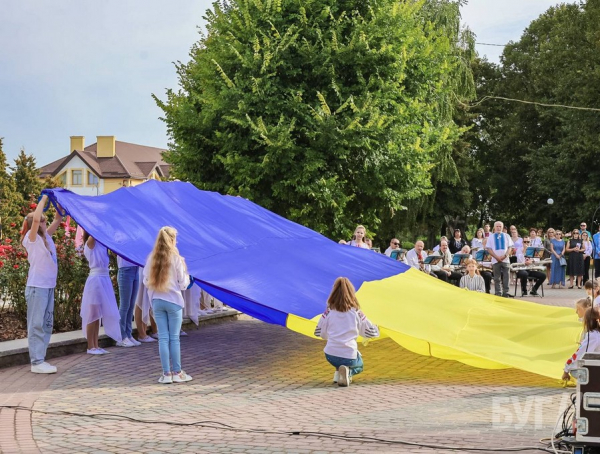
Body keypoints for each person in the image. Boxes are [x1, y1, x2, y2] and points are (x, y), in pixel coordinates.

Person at [21, 195, 65, 374]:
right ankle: (36, 361)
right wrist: (44, 199)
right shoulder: (31, 239)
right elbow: (37, 218)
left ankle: (41, 358)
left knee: (46, 324)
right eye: (41, 221)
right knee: (36, 324)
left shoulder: (47, 237)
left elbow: (58, 218)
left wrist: (59, 202)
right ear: (35, 223)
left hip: (47, 287)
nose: (44, 223)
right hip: (37, 287)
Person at [143, 227, 193, 384]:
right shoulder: (176, 258)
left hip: (157, 300)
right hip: (173, 300)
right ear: (172, 240)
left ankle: (166, 374)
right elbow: (183, 284)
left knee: (163, 338)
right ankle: (177, 373)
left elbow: (145, 280)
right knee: (174, 338)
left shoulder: (151, 257)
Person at [314, 277, 380, 387]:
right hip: (349, 355)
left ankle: (338, 374)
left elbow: (319, 332)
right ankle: (348, 372)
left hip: (330, 355)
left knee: (338, 358)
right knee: (359, 365)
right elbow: (369, 332)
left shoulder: (328, 311)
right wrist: (377, 329)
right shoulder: (356, 312)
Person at [81, 231, 122, 354]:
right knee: (92, 314)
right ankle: (90, 347)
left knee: (98, 315)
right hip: (95, 280)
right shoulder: (90, 243)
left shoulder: (102, 244)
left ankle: (96, 344)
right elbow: (94, 233)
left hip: (104, 278)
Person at [562, 307, 600, 382]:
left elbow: (580, 354)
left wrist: (566, 370)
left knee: (575, 370)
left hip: (595, 371)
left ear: (587, 321)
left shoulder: (592, 336)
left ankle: (588, 387)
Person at [116, 256, 141, 347]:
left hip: (136, 269)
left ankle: (128, 334)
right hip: (125, 270)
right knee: (124, 305)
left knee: (131, 305)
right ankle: (121, 337)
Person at [486, 221, 514, 298]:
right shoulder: (491, 237)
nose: (498, 228)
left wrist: (505, 255)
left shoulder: (507, 236)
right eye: (497, 226)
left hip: (506, 260)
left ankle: (506, 293)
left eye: (500, 226)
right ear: (494, 227)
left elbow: (510, 247)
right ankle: (498, 293)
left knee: (506, 277)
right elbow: (489, 249)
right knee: (496, 278)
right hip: (495, 260)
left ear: (502, 227)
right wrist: (496, 257)